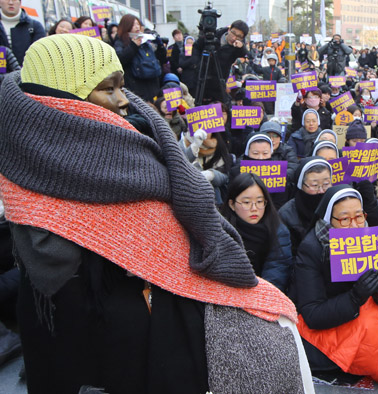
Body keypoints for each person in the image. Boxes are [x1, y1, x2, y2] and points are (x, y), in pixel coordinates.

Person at [1, 34, 305, 394]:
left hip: (152, 332)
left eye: (122, 86)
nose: (122, 102)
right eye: (106, 89)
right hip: (74, 332)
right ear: (63, 97)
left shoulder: (140, 141)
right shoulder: (21, 164)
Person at [293, 185, 378, 393]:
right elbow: (312, 313)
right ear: (329, 220)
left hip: (366, 314)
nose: (354, 225)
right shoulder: (312, 248)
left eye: (359, 217)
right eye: (344, 219)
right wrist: (354, 297)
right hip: (333, 321)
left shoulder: (370, 238)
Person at [221, 173, 294, 291]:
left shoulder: (278, 230)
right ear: (232, 204)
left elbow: (277, 269)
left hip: (263, 294)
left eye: (260, 202)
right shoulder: (220, 229)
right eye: (246, 202)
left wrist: (260, 296)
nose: (254, 208)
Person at [191, 19, 248, 103]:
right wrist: (196, 64)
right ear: (229, 29)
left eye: (239, 36)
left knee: (222, 108)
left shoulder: (236, 48)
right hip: (201, 77)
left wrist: (242, 46)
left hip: (219, 82)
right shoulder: (214, 35)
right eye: (233, 33)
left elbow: (246, 55)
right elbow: (196, 46)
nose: (234, 38)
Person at [113, 15, 166, 101]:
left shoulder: (146, 40)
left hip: (152, 85)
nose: (137, 27)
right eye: (133, 24)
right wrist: (133, 45)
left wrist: (160, 46)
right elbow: (120, 59)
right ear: (126, 26)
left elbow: (162, 59)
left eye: (138, 24)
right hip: (135, 86)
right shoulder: (120, 42)